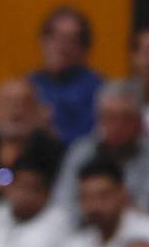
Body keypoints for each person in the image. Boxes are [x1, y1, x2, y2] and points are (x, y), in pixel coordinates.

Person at [52, 83, 149, 221]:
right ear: (98, 119)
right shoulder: (82, 151)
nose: (118, 126)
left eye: (126, 118)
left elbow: (145, 212)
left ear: (140, 122)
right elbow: (62, 203)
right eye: (110, 117)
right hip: (84, 230)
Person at [30, 6, 103, 145]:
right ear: (42, 41)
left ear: (84, 49)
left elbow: (96, 140)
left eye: (71, 40)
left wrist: (53, 131)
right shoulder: (28, 86)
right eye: (55, 37)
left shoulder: (98, 90)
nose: (62, 46)